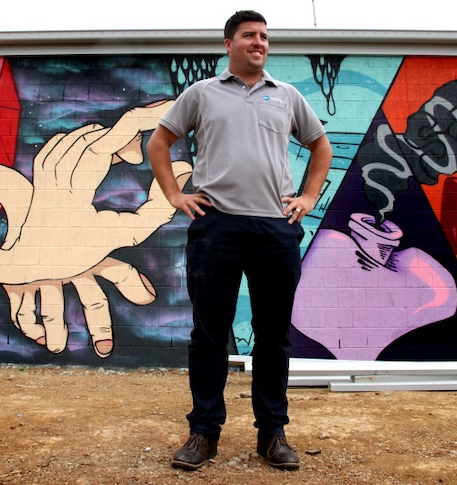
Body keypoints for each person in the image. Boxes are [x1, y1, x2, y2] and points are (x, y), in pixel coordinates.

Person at [147, 9, 333, 471]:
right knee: (209, 335)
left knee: (273, 336)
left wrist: (308, 197)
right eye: (249, 36)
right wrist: (174, 194)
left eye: (265, 37)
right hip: (217, 226)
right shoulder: (202, 94)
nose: (259, 43)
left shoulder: (286, 96)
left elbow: (320, 145)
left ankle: (272, 435)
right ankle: (203, 434)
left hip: (275, 227)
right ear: (228, 44)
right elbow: (158, 142)